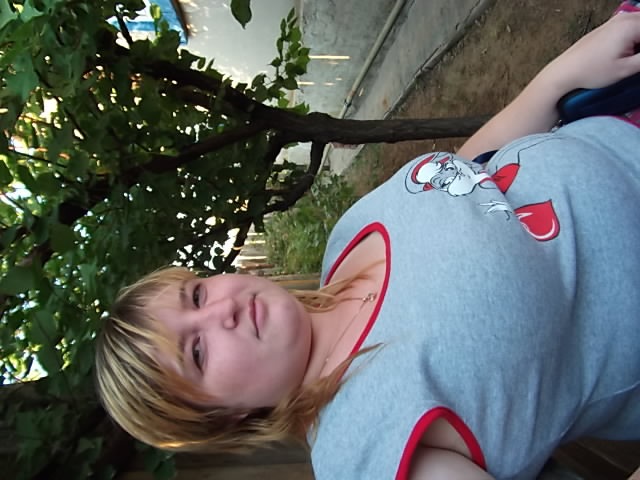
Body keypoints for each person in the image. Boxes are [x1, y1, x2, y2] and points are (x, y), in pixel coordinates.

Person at [95, 5, 640, 479]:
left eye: (196, 295)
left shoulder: (344, 246)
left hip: (612, 116)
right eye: (197, 352)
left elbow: (465, 168)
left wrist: (559, 75)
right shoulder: (363, 446)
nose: (222, 313)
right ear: (224, 416)